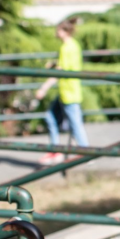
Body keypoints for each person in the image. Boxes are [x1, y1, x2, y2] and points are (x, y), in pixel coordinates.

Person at [35, 18, 89, 165]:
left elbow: (60, 71)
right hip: (67, 91)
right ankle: (56, 150)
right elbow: (66, 65)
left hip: (69, 92)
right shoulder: (73, 45)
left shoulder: (67, 48)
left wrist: (44, 88)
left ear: (64, 31)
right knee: (51, 118)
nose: (56, 33)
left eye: (58, 30)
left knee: (75, 124)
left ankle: (86, 154)